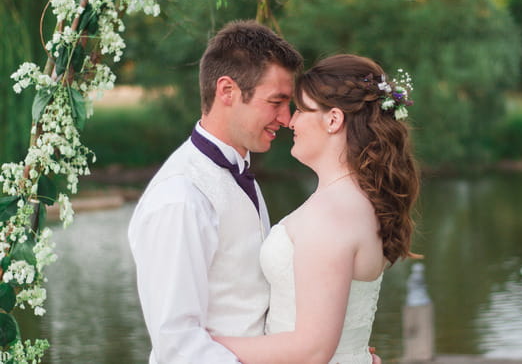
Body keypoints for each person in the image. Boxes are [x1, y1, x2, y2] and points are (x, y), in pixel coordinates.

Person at [212, 54, 420, 363]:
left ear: (333, 120)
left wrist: (204, 345)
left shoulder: (331, 215)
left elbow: (312, 350)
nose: (290, 121)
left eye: (301, 110)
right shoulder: (354, 203)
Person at [127, 19, 303, 363]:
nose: (287, 118)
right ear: (227, 91)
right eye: (276, 102)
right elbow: (177, 344)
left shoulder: (236, 170)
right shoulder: (181, 197)